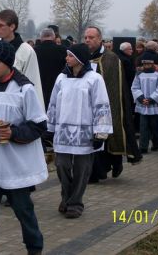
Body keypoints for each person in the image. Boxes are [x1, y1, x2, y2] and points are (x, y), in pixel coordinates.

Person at [0, 40, 48, 255]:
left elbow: (39, 125)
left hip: (16, 164)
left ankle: (35, 247)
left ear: (7, 63)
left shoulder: (24, 88)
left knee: (23, 209)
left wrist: (13, 133)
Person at [47, 43, 112, 218]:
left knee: (82, 169)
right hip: (63, 131)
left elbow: (101, 105)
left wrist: (101, 132)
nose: (66, 58)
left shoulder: (94, 79)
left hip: (85, 132)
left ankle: (75, 203)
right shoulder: (61, 78)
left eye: (69, 55)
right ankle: (66, 197)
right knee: (62, 166)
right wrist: (50, 127)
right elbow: (53, 104)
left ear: (79, 59)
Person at [84, 26, 141, 182]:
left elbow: (115, 84)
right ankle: (96, 172)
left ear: (100, 39)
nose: (88, 40)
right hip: (88, 105)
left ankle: (114, 163)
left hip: (109, 102)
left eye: (91, 37)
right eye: (86, 37)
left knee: (111, 134)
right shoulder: (83, 57)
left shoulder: (111, 58)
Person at [131, 59, 158, 153]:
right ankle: (143, 147)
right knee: (143, 126)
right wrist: (141, 98)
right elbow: (135, 87)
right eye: (145, 64)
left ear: (152, 64)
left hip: (153, 105)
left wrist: (151, 99)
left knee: (154, 126)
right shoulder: (139, 75)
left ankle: (156, 143)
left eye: (149, 64)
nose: (147, 65)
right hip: (143, 104)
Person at [35, 28, 67, 110]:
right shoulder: (63, 50)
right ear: (54, 37)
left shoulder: (34, 51)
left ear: (41, 38)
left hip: (40, 87)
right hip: (58, 86)